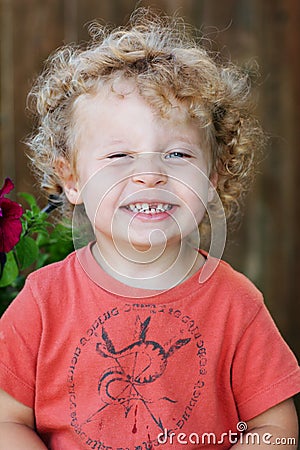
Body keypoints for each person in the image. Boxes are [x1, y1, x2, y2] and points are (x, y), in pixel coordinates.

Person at [0, 8, 299, 450]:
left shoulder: (236, 303)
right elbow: (8, 420)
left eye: (177, 155)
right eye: (119, 156)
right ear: (73, 180)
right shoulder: (44, 301)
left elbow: (275, 430)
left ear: (212, 178)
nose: (149, 174)